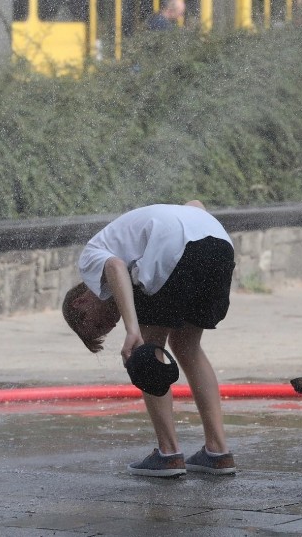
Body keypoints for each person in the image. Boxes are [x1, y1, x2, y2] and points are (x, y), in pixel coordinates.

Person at [62, 201, 237, 477]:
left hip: (175, 249)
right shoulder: (128, 235)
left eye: (100, 324)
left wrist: (133, 331)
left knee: (148, 349)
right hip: (219, 246)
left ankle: (168, 454)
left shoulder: (89, 259)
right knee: (188, 347)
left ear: (80, 304)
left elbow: (115, 266)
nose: (112, 323)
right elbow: (196, 204)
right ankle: (218, 452)